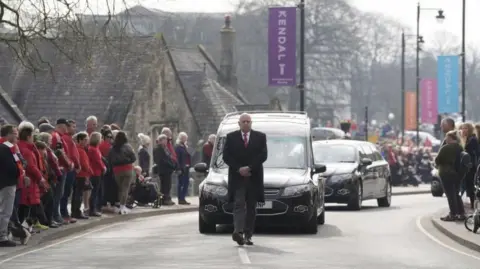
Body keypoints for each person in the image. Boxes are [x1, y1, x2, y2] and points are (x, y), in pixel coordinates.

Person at [223, 113, 267, 246]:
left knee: (251, 207)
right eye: (244, 121)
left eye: (248, 121)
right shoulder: (231, 137)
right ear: (239, 124)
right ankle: (238, 232)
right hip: (238, 178)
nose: (246, 123)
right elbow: (226, 156)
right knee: (239, 204)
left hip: (254, 177)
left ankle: (248, 235)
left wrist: (250, 168)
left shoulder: (260, 137)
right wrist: (239, 169)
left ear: (251, 123)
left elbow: (263, 155)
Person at [435, 130, 465, 221]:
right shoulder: (459, 147)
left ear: (451, 138)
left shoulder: (446, 148)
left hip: (445, 173)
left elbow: (437, 160)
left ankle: (453, 214)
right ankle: (461, 213)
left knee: (450, 195)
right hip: (456, 173)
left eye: (447, 137)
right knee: (456, 193)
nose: (445, 139)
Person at [0, 125, 21, 246]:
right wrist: (20, 172)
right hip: (7, 182)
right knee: (5, 211)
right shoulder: (5, 148)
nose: (16, 135)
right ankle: (2, 236)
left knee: (5, 209)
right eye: (14, 133)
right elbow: (10, 167)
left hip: (6, 182)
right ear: (7, 135)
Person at [107, 131, 136, 215]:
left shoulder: (112, 148)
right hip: (127, 168)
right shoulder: (128, 146)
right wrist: (128, 161)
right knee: (125, 188)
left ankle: (120, 205)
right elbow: (133, 158)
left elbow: (109, 159)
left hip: (117, 170)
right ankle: (123, 206)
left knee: (120, 188)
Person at [72, 132, 92, 219]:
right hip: (81, 175)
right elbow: (84, 164)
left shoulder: (81, 149)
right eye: (85, 140)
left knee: (78, 194)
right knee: (78, 194)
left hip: (80, 174)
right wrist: (89, 172)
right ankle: (76, 211)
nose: (86, 141)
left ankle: (76, 211)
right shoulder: (80, 150)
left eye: (87, 140)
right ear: (80, 140)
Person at [459, 122, 479, 209]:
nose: (463, 130)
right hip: (467, 167)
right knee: (467, 187)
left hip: (472, 168)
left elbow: (476, 153)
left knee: (471, 187)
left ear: (470, 129)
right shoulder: (466, 139)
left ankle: (472, 207)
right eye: (462, 128)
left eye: (466, 128)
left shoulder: (472, 139)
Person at [153, 134, 176, 206]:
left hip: (168, 170)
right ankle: (165, 199)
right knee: (165, 186)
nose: (166, 142)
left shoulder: (165, 148)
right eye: (165, 140)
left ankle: (167, 198)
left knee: (167, 185)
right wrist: (170, 164)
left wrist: (172, 164)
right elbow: (161, 160)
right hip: (163, 170)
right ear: (161, 140)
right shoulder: (158, 149)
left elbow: (169, 157)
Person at [87, 132, 106, 216]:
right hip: (95, 172)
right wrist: (103, 167)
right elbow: (97, 160)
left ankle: (94, 208)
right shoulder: (93, 149)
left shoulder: (94, 148)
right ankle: (92, 209)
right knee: (94, 192)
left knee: (95, 191)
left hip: (96, 172)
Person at [175, 132, 191, 205]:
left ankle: (183, 198)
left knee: (186, 183)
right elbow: (177, 158)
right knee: (181, 183)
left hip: (186, 167)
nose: (185, 139)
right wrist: (178, 168)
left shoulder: (184, 146)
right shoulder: (178, 147)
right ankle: (180, 199)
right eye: (184, 138)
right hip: (182, 168)